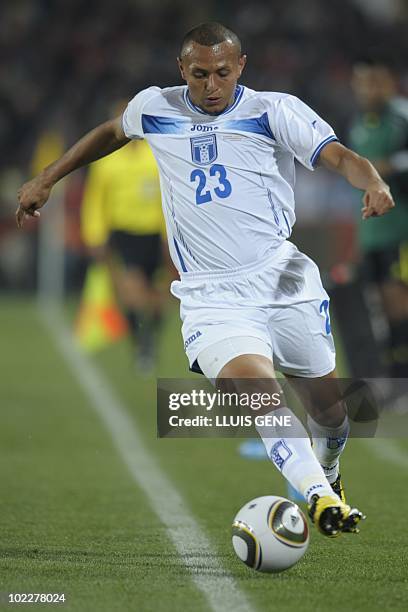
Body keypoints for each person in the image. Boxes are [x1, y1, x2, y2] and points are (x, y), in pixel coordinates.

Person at [16, 22, 395, 538]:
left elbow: (338, 156)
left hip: (283, 281)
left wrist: (370, 180)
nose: (211, 85)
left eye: (221, 72)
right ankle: (319, 497)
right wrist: (48, 178)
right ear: (181, 70)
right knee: (259, 394)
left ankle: (326, 473)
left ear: (241, 66)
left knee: (330, 414)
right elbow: (111, 132)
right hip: (210, 296)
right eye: (199, 74)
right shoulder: (156, 106)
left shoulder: (272, 111)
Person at [80, 108, 169, 370]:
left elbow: (168, 198)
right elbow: (95, 200)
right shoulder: (108, 162)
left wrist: (170, 235)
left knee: (158, 296)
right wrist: (95, 235)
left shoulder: (154, 156)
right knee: (131, 289)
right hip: (124, 233)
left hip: (155, 234)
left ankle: (149, 336)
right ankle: (140, 343)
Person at [350, 60, 408, 378]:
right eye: (363, 82)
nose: (369, 89)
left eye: (376, 82)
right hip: (372, 232)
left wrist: (393, 165)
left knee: (399, 306)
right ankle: (394, 380)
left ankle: (401, 379)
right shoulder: (358, 121)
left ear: (389, 83)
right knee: (383, 312)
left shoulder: (401, 115)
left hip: (401, 231)